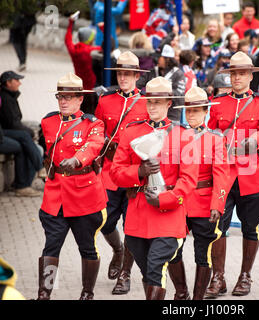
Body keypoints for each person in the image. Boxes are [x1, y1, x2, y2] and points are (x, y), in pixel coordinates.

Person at [109, 77, 199, 300]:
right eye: (149, 102)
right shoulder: (131, 132)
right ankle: (182, 294)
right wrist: (138, 172)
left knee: (155, 267)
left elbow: (188, 180)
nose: (153, 107)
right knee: (148, 272)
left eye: (158, 102)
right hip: (138, 214)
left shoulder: (184, 135)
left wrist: (165, 199)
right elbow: (115, 173)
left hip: (169, 214)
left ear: (169, 103)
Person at [205, 52, 259, 298]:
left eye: (242, 73)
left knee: (251, 227)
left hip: (251, 172)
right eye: (234, 73)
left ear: (250, 76)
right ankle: (218, 277)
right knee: (218, 227)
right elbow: (211, 131)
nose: (237, 77)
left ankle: (245, 276)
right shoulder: (218, 102)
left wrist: (249, 142)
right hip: (223, 172)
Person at [37, 73, 107, 300]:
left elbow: (94, 145)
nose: (63, 101)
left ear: (80, 99)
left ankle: (87, 293)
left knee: (87, 247)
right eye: (60, 97)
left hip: (84, 193)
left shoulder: (93, 123)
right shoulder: (48, 122)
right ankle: (45, 293)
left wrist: (77, 159)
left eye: (69, 97)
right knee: (51, 247)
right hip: (56, 194)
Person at [167, 87, 230, 300]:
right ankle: (181, 291)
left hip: (204, 202)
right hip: (180, 201)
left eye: (197, 110)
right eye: (189, 110)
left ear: (206, 112)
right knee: (172, 250)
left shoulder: (216, 139)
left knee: (202, 255)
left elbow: (222, 174)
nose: (192, 114)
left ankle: (198, 299)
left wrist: (217, 205)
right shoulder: (176, 136)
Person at [95, 51, 150, 295]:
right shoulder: (105, 100)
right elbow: (96, 132)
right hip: (110, 171)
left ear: (137, 76)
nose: (123, 78)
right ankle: (117, 250)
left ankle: (125, 274)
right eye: (120, 73)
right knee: (104, 221)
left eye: (128, 74)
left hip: (136, 173)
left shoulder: (148, 102)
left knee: (133, 226)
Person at [137, 45, 186, 121]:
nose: (156, 59)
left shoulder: (178, 74)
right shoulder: (152, 71)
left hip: (172, 116)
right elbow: (137, 84)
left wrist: (162, 92)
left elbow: (180, 97)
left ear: (167, 59)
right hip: (153, 115)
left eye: (159, 57)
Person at [65, 12, 101, 90]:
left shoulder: (73, 50)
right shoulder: (92, 51)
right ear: (90, 39)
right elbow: (108, 46)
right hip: (92, 86)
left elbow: (68, 40)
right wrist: (103, 29)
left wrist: (71, 22)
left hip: (79, 85)